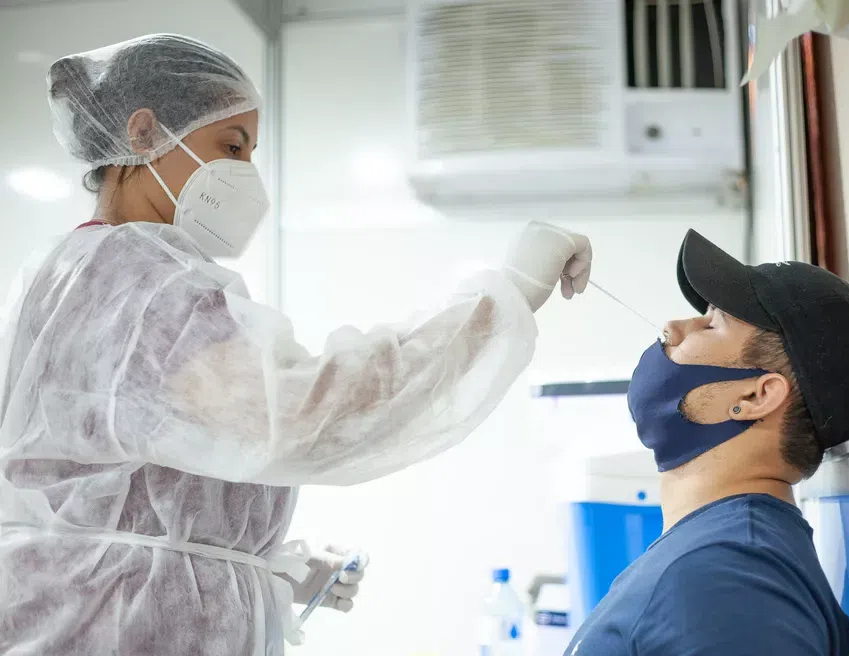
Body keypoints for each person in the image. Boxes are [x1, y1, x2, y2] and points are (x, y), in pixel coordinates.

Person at [0, 34, 593, 656]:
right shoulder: (135, 279)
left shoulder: (80, 274)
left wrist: (255, 561)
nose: (245, 174)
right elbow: (301, 415)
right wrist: (504, 299)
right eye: (231, 147)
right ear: (144, 133)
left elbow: (126, 480)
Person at [564, 230, 849, 656]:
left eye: (713, 322)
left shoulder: (727, 572)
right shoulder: (721, 554)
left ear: (755, 396)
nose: (673, 326)